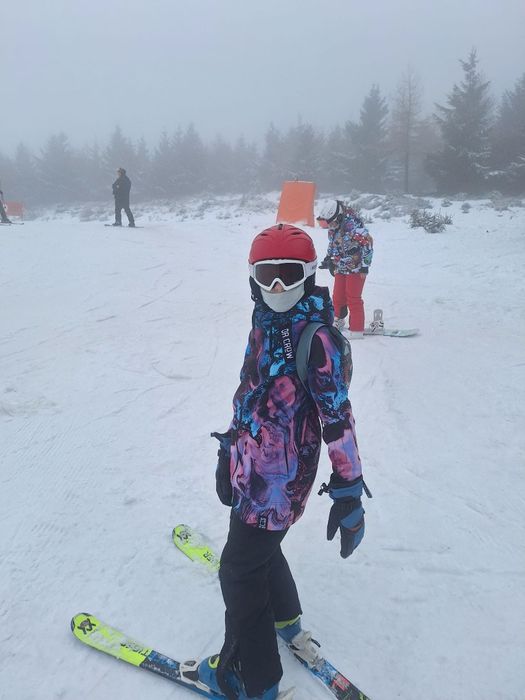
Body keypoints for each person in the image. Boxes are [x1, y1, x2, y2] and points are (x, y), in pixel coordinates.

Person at [181, 224, 369, 700]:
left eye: (289, 274)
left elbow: (338, 418)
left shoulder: (317, 339)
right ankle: (287, 620)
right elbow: (250, 394)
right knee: (264, 550)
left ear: (310, 274)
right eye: (268, 275)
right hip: (254, 472)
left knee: (238, 571)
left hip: (279, 486)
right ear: (253, 277)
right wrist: (230, 451)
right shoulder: (264, 321)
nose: (279, 286)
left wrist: (349, 491)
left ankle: (251, 678)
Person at [317, 201, 374, 339]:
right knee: (337, 296)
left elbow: (368, 245)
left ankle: (356, 329)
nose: (330, 226)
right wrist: (328, 258)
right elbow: (332, 244)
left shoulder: (355, 228)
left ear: (338, 217)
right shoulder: (333, 229)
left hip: (356, 268)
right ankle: (338, 320)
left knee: (353, 298)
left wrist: (365, 266)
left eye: (331, 223)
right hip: (340, 267)